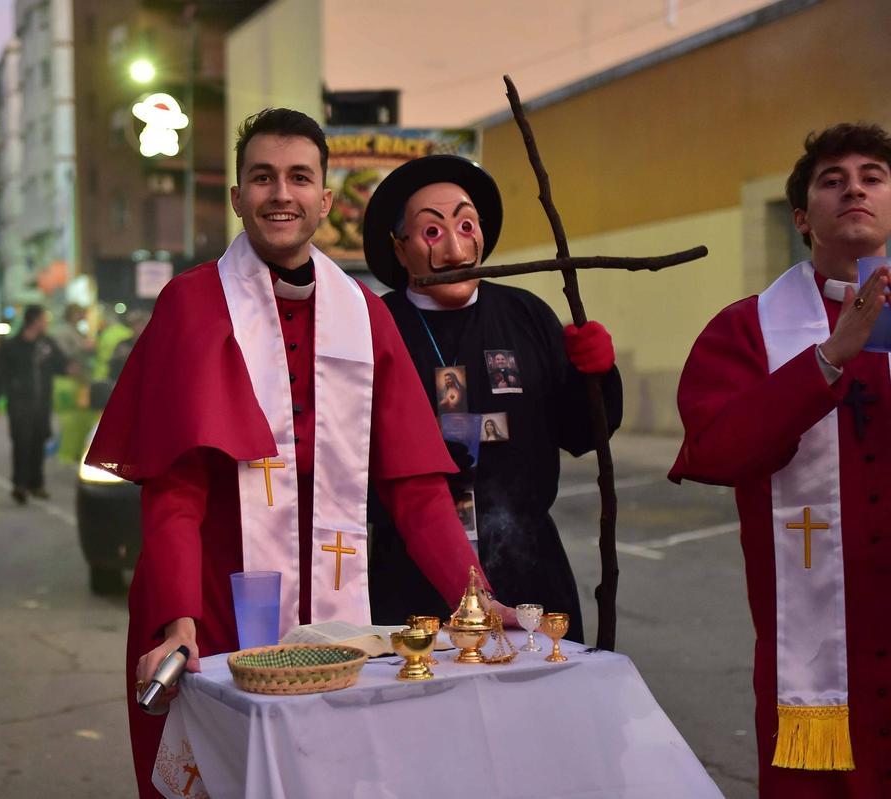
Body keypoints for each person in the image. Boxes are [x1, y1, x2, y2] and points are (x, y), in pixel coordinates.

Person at [85, 108, 506, 798]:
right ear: (238, 197)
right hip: (209, 603)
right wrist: (177, 615)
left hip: (331, 616)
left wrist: (479, 600)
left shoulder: (365, 314)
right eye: (262, 177)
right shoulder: (192, 304)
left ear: (325, 200)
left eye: (299, 177)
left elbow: (415, 488)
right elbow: (174, 490)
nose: (281, 193)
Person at [670, 123, 891, 797]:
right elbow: (715, 452)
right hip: (819, 659)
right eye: (832, 179)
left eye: (872, 175)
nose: (853, 186)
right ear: (802, 217)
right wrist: (826, 359)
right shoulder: (745, 328)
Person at [361, 154, 623, 642]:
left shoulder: (527, 315)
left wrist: (598, 376)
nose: (457, 248)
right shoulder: (375, 326)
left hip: (530, 566)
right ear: (399, 250)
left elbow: (581, 434)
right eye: (432, 232)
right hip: (413, 579)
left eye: (466, 224)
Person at [0, 305, 68, 503]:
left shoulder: (46, 344)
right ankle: (20, 485)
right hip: (20, 404)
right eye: (44, 319)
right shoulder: (12, 346)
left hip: (42, 403)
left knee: (39, 443)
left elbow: (62, 365)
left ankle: (36, 483)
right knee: (22, 443)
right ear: (34, 321)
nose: (46, 323)